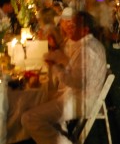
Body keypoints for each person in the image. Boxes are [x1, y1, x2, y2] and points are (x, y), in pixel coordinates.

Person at [22, 11, 107, 144]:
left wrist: (55, 67)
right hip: (76, 95)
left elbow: (76, 82)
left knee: (29, 117)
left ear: (85, 29)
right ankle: (60, 132)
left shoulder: (87, 50)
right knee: (36, 100)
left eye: (74, 25)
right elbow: (72, 67)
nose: (69, 27)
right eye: (69, 23)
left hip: (81, 101)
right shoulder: (84, 44)